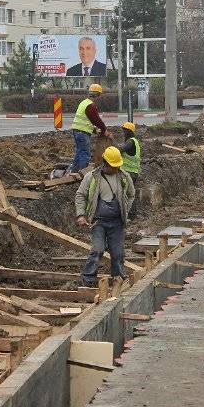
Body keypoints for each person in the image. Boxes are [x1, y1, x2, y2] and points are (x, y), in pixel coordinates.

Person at [75, 146, 135, 286]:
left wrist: (126, 208)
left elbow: (131, 194)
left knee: (118, 253)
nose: (115, 169)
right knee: (97, 250)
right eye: (113, 166)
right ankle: (88, 279)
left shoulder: (124, 177)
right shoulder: (92, 177)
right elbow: (80, 195)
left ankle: (118, 279)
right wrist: (81, 215)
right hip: (98, 222)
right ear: (105, 162)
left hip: (116, 223)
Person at [70, 84, 110, 172]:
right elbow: (96, 120)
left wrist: (95, 130)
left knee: (79, 152)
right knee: (85, 153)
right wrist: (104, 130)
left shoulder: (84, 102)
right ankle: (83, 174)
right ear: (98, 95)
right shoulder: (91, 105)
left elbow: (86, 121)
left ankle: (74, 172)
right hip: (82, 133)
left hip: (77, 130)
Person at [119, 121, 141, 217]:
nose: (123, 133)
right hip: (132, 172)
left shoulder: (131, 142)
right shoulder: (133, 141)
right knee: (130, 193)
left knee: (128, 194)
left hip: (129, 173)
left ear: (129, 132)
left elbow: (120, 150)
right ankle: (132, 214)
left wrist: (111, 140)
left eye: (125, 131)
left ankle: (130, 215)